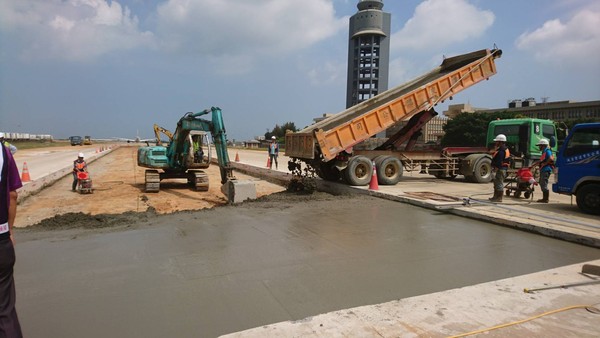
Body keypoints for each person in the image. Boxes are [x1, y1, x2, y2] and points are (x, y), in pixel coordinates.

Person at [0, 135, 24, 337]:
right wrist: (10, 230)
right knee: (5, 311)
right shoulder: (4, 152)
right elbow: (12, 195)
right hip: (1, 238)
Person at [531, 139, 554, 203]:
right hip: (544, 169)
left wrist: (545, 163)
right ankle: (544, 198)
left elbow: (550, 158)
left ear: (543, 146)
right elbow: (541, 161)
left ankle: (545, 199)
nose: (539, 147)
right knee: (542, 183)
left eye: (540, 145)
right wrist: (533, 165)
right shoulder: (544, 152)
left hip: (546, 169)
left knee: (543, 183)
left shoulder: (547, 151)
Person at [489, 134, 510, 202]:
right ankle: (495, 197)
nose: (496, 143)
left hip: (500, 169)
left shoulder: (502, 150)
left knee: (499, 183)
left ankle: (499, 198)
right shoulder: (501, 149)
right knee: (496, 183)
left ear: (501, 142)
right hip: (500, 168)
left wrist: (495, 170)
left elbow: (499, 161)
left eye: (497, 141)